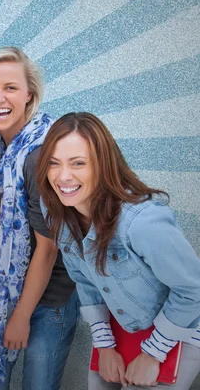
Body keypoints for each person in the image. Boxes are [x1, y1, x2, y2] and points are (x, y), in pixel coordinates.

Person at [36, 112, 200, 389]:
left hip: (180, 331)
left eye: (78, 163)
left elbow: (193, 290)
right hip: (121, 330)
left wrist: (152, 354)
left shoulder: (142, 221)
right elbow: (84, 279)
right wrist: (105, 346)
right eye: (54, 163)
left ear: (102, 165)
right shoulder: (57, 210)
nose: (63, 176)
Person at [0, 46, 78, 390]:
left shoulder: (39, 157)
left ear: (29, 94)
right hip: (2, 290)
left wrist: (20, 317)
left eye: (10, 88)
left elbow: (47, 249)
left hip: (49, 299)